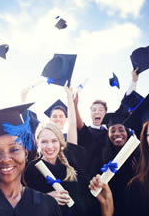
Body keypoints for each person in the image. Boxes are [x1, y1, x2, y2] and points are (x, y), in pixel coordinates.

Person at [25, 82, 96, 215]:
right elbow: (28, 203)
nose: (50, 146)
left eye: (54, 141)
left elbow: (72, 125)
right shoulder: (32, 169)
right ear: (38, 143)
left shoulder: (70, 159)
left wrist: (69, 96)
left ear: (60, 142)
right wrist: (46, 198)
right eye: (44, 142)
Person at [74, 68, 139, 179]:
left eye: (100, 110)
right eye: (94, 110)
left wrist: (134, 81)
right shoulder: (87, 132)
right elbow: (79, 126)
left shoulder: (111, 135)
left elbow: (124, 106)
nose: (97, 112)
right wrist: (74, 105)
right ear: (90, 114)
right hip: (91, 178)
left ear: (105, 113)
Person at [98, 111, 139, 216]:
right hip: (115, 205)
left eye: (121, 130)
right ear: (108, 134)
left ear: (127, 132)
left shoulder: (138, 152)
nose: (117, 133)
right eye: (112, 130)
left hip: (138, 202)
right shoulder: (104, 155)